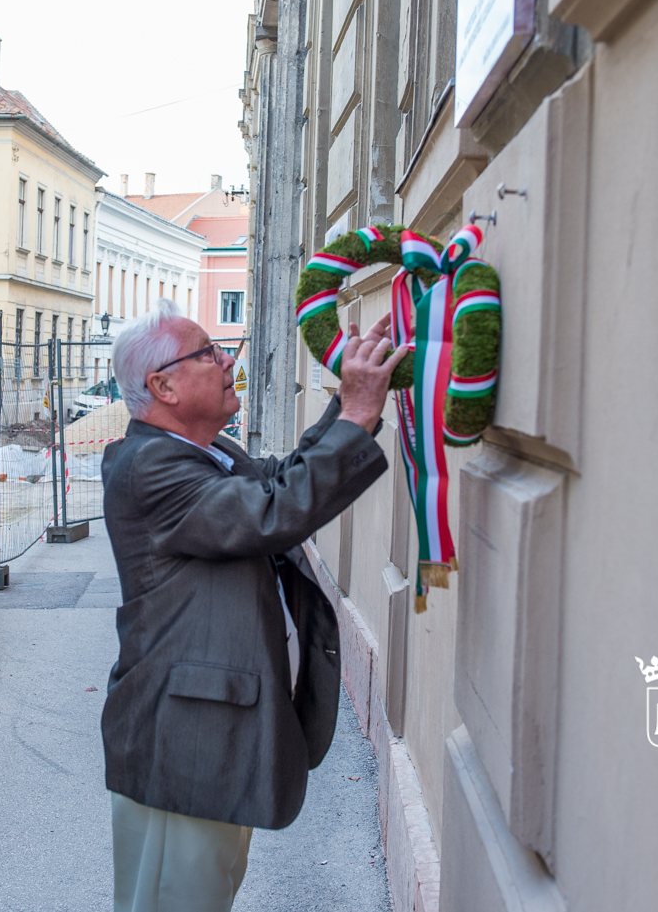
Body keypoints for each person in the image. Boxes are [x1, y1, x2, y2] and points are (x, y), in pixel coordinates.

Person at [101, 299, 409, 912]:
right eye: (208, 352)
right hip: (183, 749)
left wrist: (349, 399)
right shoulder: (150, 466)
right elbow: (271, 512)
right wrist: (356, 410)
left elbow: (280, 480)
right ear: (162, 385)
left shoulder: (203, 453)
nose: (227, 360)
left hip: (212, 737)